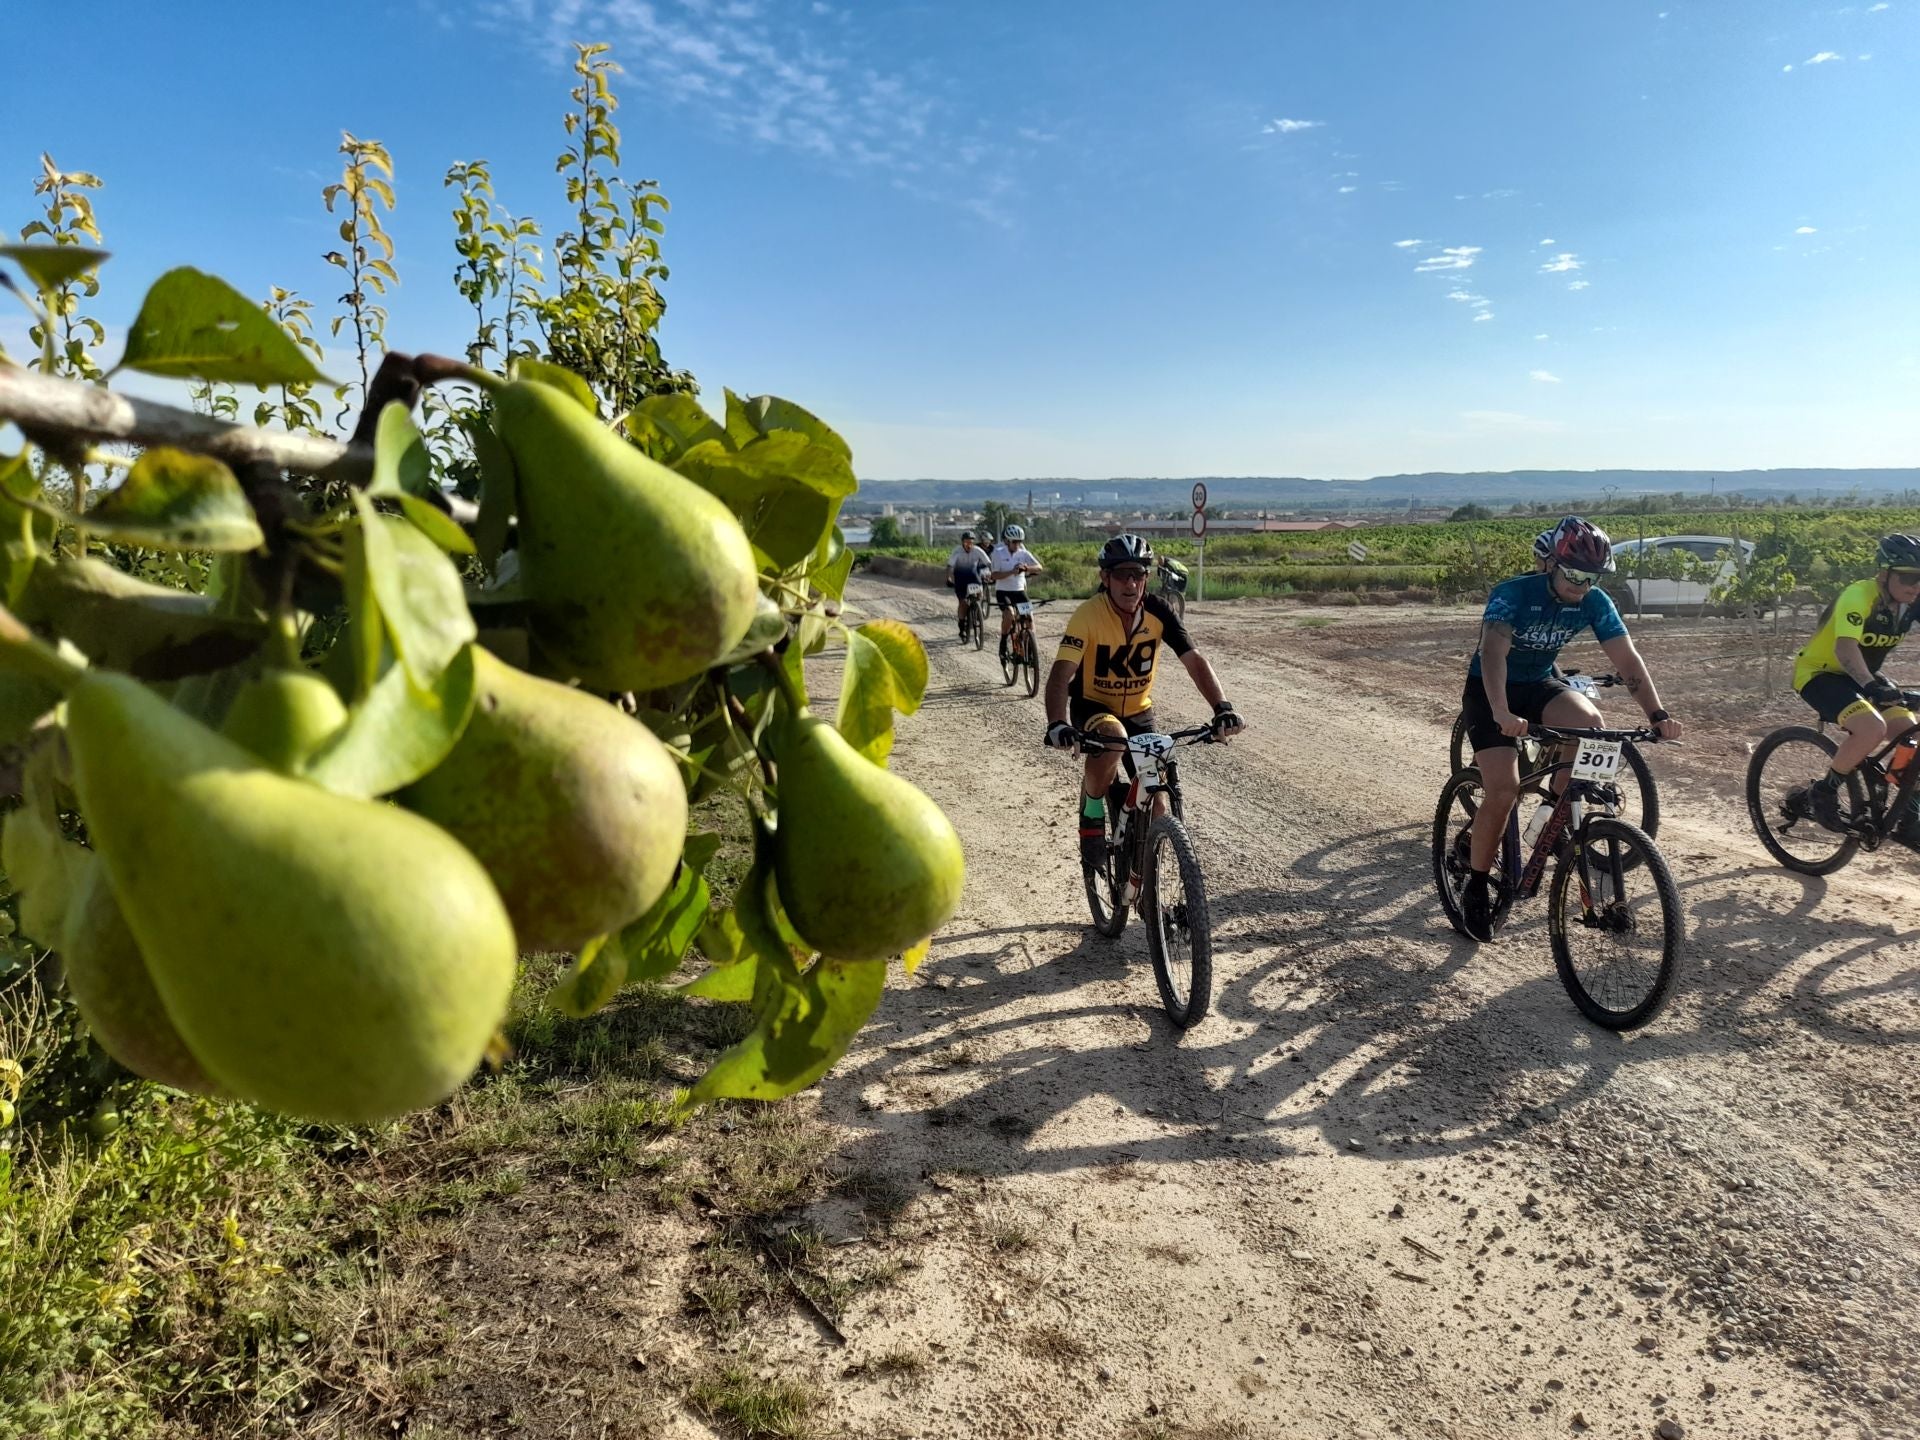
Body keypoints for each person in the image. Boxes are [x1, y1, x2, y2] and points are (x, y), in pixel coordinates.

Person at [1458, 519, 1683, 942]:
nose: (1581, 586)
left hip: (1540, 683)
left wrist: (1657, 713)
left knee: (1592, 725)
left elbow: (1628, 661)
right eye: (1574, 575)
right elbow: (1492, 654)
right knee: (1504, 791)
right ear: (1552, 566)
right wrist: (1502, 711)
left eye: (1591, 578)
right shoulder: (1512, 594)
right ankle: (1475, 882)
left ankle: (1552, 816)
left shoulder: (1594, 602)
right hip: (1491, 690)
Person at [1041, 534, 1244, 866]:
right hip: (1093, 706)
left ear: (1147, 578)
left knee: (1159, 803)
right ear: (1105, 578)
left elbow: (1194, 660)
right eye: (1121, 574)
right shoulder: (1088, 614)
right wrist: (1057, 723)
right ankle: (1092, 809)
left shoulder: (1158, 611)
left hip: (1139, 711)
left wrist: (1222, 708)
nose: (1131, 582)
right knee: (1114, 740)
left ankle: (1145, 884)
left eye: (1138, 574)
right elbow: (1062, 673)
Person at [1789, 533, 1920, 837]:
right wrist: (1871, 686)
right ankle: (1824, 791)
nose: (1916, 586)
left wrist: (1872, 684)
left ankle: (1909, 815)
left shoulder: (1912, 602)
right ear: (1884, 574)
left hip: (1864, 676)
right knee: (1872, 728)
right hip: (1820, 673)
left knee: (1911, 736)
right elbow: (1845, 648)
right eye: (1909, 577)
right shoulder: (1859, 596)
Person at [990, 524, 1045, 659]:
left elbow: (1039, 567)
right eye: (1014, 542)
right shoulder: (998, 553)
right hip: (1003, 591)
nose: (1017, 545)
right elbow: (994, 575)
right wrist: (1011, 572)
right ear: (1008, 541)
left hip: (1019, 591)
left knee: (1029, 618)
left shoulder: (1023, 553)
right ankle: (1003, 641)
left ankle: (1029, 646)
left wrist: (1026, 568)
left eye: (1019, 542)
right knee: (1009, 614)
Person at [945, 531, 993, 638]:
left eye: (971, 543)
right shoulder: (957, 551)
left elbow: (988, 563)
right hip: (961, 580)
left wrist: (990, 574)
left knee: (979, 596)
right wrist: (948, 577)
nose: (969, 545)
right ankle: (962, 625)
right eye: (966, 543)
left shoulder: (977, 550)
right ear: (962, 543)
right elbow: (950, 566)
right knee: (963, 603)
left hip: (974, 578)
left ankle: (976, 612)